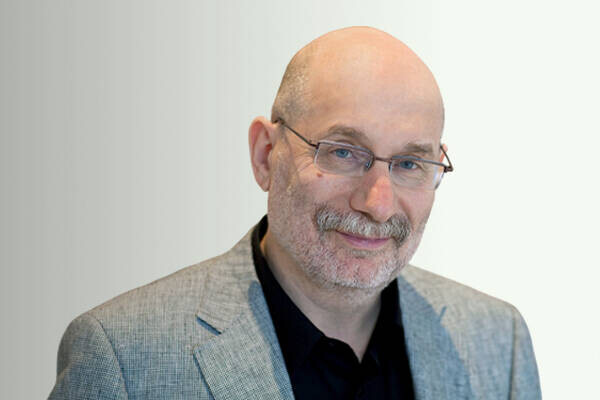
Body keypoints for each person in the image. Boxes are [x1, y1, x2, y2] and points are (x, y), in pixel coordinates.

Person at [49, 27, 541, 399]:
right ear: (266, 155)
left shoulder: (498, 341)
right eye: (343, 152)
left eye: (410, 163)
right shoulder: (123, 358)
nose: (378, 203)